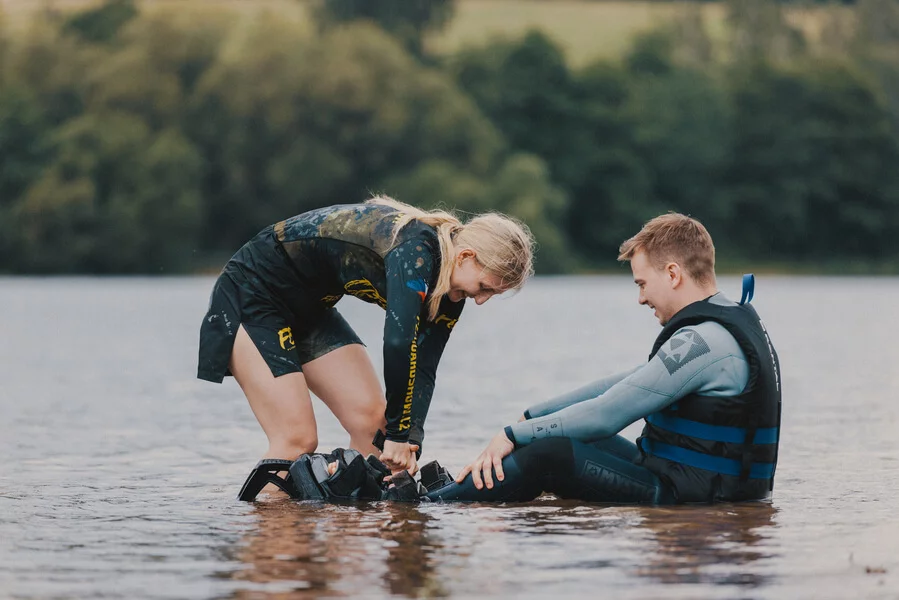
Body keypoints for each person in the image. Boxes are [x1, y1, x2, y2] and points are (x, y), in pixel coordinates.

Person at [430, 212, 781, 504]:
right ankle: (454, 492)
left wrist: (512, 434)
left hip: (692, 497)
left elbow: (605, 415)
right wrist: (533, 415)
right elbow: (624, 384)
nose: (641, 299)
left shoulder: (704, 341)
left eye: (642, 283)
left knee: (549, 455)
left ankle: (436, 504)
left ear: (673, 274)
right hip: (688, 480)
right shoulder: (723, 322)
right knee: (566, 435)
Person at [198, 196, 535, 481]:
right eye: (485, 288)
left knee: (376, 428)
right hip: (253, 293)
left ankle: (347, 537)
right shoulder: (416, 252)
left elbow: (425, 364)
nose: (481, 300)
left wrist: (409, 441)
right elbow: (398, 344)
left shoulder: (450, 288)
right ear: (465, 257)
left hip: (310, 309)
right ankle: (276, 549)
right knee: (297, 439)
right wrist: (399, 436)